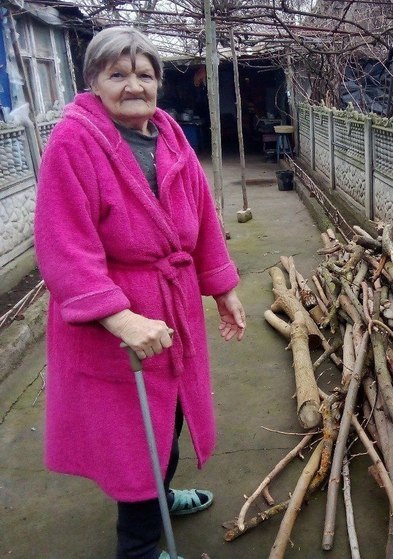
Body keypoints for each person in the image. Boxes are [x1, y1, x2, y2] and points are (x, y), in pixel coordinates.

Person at [34, 26, 245, 559]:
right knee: (134, 438)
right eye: (118, 74)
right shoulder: (74, 142)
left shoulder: (170, 134)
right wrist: (120, 317)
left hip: (170, 306)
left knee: (169, 414)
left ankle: (162, 495)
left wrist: (221, 288)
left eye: (145, 75)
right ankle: (140, 548)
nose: (134, 86)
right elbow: (63, 245)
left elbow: (201, 216)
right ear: (94, 83)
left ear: (159, 84)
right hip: (117, 317)